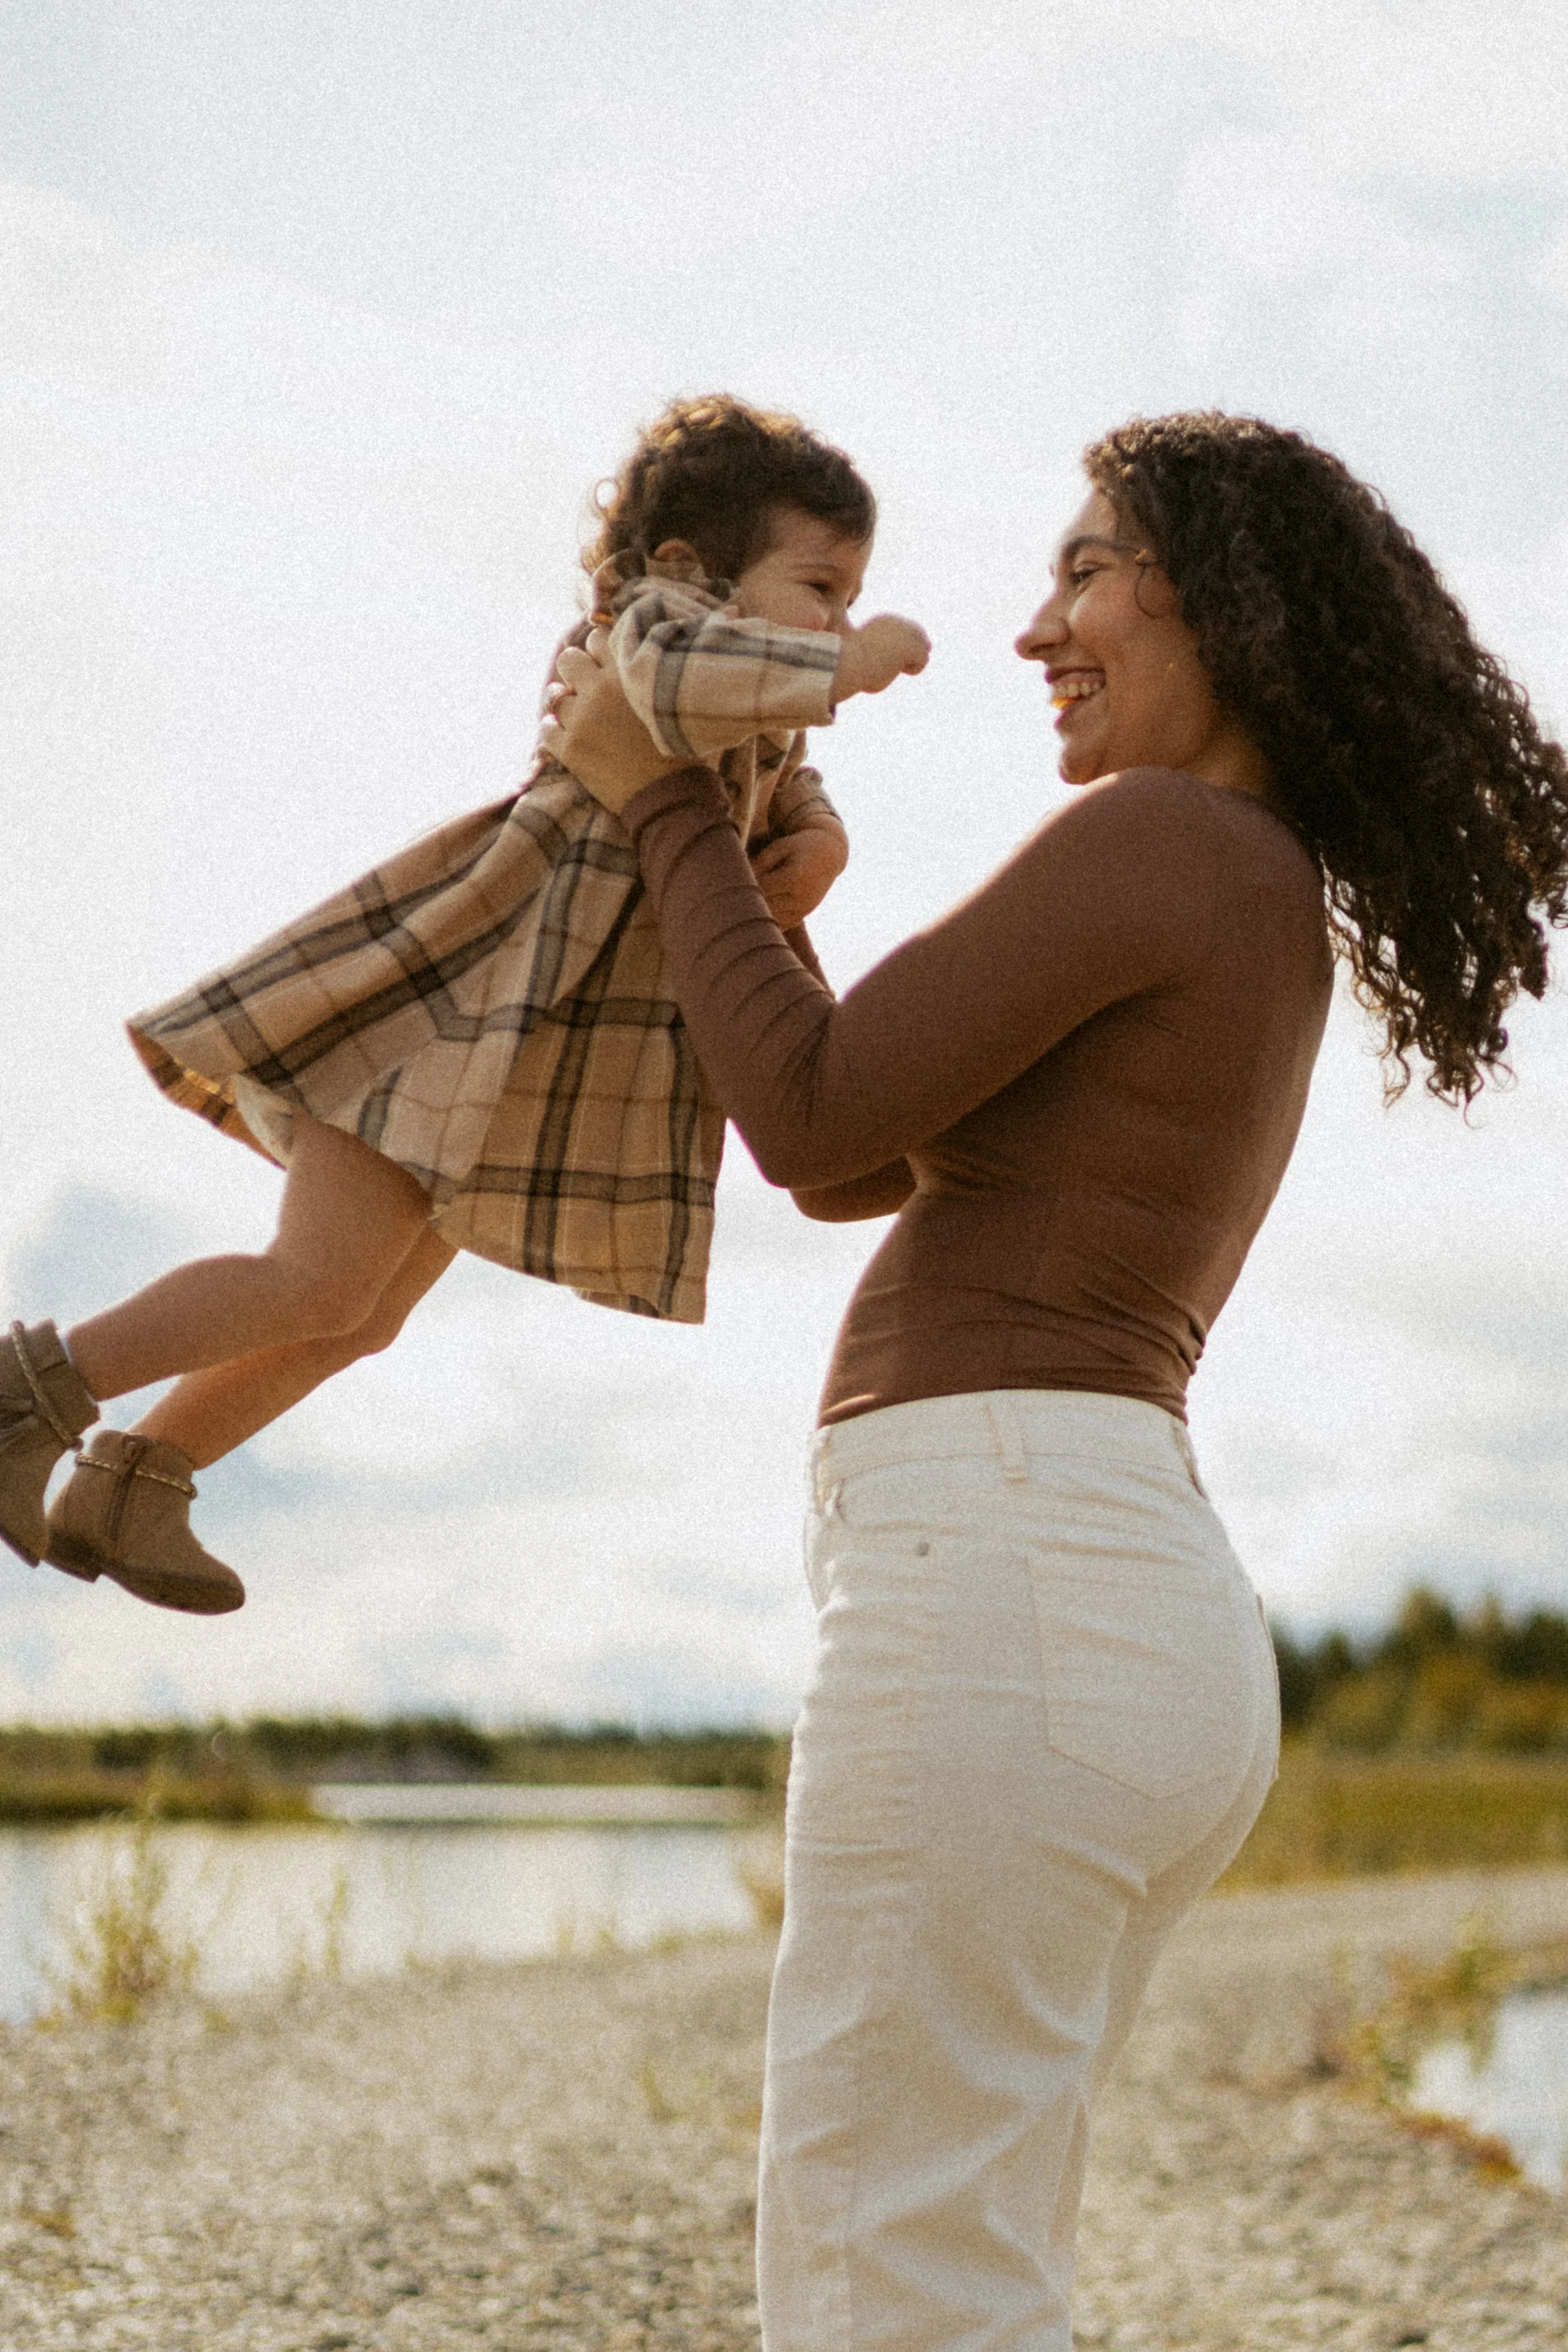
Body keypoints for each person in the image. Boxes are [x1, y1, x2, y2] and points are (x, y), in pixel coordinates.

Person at [548, 411, 1568, 2352]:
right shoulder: (1242, 882)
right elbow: (857, 1156)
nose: (1034, 626)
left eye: (1087, 567)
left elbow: (810, 1106)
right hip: (1101, 1600)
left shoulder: (1159, 838)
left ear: (1227, 609)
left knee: (883, 2271)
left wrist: (663, 791)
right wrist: (758, 895)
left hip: (1009, 1587)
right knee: (955, 2252)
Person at [0, 396, 928, 1616]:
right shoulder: (649, 631)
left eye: (852, 602)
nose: (839, 621)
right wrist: (845, 665)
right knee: (315, 1275)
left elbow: (792, 782)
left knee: (363, 1307)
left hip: (514, 1061)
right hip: (446, 1010)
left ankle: (136, 1483)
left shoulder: (753, 712)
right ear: (687, 568)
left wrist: (821, 842)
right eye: (822, 588)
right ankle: (31, 1395)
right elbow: (680, 678)